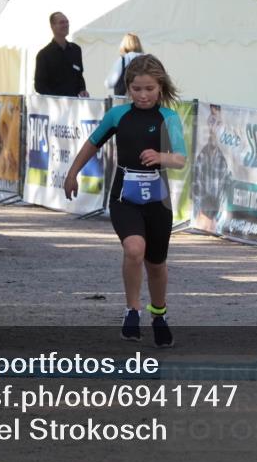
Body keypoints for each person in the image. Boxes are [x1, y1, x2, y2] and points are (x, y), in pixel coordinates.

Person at [64, 54, 186, 348]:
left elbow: (180, 159)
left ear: (160, 88)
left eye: (149, 89)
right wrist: (72, 173)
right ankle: (132, 310)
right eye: (137, 89)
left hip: (158, 202)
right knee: (134, 249)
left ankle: (159, 314)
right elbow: (92, 143)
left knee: (156, 264)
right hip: (124, 197)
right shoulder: (117, 116)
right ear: (128, 88)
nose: (143, 95)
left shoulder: (168, 118)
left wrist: (161, 157)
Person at [191, 104, 230, 233]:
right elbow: (196, 192)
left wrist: (215, 220)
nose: (213, 127)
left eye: (218, 123)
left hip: (214, 224)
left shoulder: (224, 161)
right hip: (202, 222)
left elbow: (224, 198)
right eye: (211, 121)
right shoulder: (201, 156)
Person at [33, 12, 88, 97]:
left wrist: (82, 90)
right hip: (53, 107)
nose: (66, 25)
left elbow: (79, 77)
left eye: (67, 22)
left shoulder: (76, 50)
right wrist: (57, 100)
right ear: (52, 26)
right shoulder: (43, 55)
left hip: (74, 105)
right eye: (62, 22)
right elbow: (39, 86)